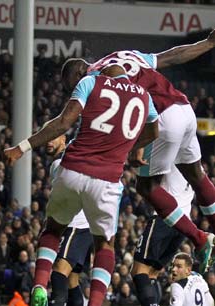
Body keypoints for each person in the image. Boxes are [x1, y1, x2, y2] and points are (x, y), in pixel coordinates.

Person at [61, 29, 215, 273]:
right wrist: (208, 43)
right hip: (183, 108)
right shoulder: (124, 55)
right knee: (196, 173)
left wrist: (135, 147)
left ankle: (200, 239)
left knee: (147, 187)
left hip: (161, 119)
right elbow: (173, 56)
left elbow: (122, 118)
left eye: (73, 87)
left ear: (81, 73)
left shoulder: (95, 80)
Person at [4, 64, 159, 306]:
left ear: (104, 71)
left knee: (53, 230)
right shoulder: (144, 96)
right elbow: (154, 132)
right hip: (106, 179)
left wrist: (21, 147)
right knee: (105, 246)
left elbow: (64, 122)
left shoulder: (91, 82)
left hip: (73, 169)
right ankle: (95, 303)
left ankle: (38, 287)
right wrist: (129, 148)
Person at [131, 165, 194, 306]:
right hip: (184, 224)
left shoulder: (171, 154)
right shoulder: (197, 165)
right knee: (153, 272)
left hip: (165, 218)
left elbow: (146, 182)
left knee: (138, 271)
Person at [46, 135, 94, 306]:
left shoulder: (60, 165)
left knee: (59, 272)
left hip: (75, 226)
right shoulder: (60, 163)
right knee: (72, 280)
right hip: (85, 226)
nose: (48, 141)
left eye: (53, 137)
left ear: (64, 139)